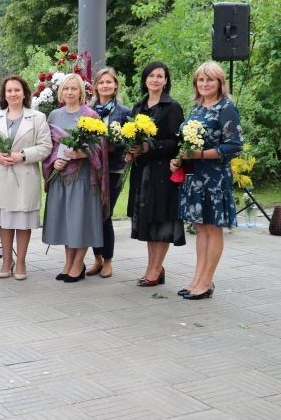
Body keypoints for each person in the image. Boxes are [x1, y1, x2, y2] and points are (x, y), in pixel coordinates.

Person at [171, 61, 243, 300]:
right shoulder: (197, 108)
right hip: (194, 177)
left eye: (210, 80)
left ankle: (207, 281)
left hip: (215, 179)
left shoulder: (226, 108)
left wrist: (200, 155)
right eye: (200, 80)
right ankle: (197, 280)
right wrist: (179, 159)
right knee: (201, 228)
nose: (204, 84)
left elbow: (234, 146)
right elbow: (188, 144)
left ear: (220, 83)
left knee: (213, 230)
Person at [0, 75, 51, 280]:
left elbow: (45, 147)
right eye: (9, 91)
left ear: (24, 93)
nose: (13, 94)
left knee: (22, 220)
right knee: (5, 220)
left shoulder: (37, 117)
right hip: (1, 175)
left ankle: (20, 262)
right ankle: (5, 261)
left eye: (17, 90)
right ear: (4, 95)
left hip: (25, 175)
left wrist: (23, 155)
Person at [42, 73, 108, 282]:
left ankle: (78, 263)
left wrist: (83, 153)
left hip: (83, 177)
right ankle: (68, 262)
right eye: (66, 88)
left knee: (81, 220)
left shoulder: (90, 115)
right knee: (65, 221)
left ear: (81, 92)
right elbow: (49, 147)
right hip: (61, 177)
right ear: (61, 91)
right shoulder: (53, 115)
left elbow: (102, 147)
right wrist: (54, 161)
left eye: (74, 88)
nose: (70, 92)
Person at [127, 61, 186, 287]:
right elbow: (131, 136)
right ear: (145, 79)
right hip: (142, 171)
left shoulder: (172, 107)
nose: (155, 80)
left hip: (162, 172)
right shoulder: (138, 106)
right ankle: (155, 268)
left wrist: (152, 147)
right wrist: (132, 150)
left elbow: (176, 142)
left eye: (160, 76)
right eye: (151, 76)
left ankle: (154, 270)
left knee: (160, 220)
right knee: (148, 222)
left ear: (166, 81)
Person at [87, 68, 131, 278]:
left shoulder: (124, 112)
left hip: (114, 169)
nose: (105, 86)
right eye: (101, 82)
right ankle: (96, 259)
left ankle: (108, 261)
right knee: (93, 216)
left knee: (105, 214)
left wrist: (113, 145)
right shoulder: (88, 110)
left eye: (109, 82)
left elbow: (130, 141)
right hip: (91, 170)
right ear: (95, 86)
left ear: (115, 86)